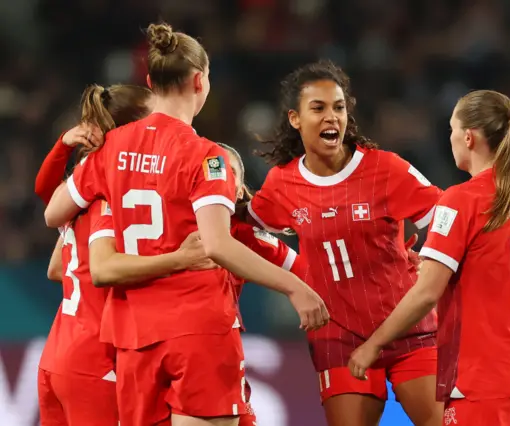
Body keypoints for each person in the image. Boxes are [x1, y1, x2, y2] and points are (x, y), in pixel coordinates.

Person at [43, 22, 328, 426]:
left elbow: (54, 213)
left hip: (133, 338)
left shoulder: (111, 149)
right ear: (199, 80)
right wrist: (296, 290)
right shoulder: (207, 155)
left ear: (149, 80)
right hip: (196, 329)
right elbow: (216, 244)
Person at [348, 90, 510, 426]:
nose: (449, 137)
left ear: (468, 137)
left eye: (451, 128)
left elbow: (425, 294)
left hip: (484, 381)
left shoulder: (461, 200)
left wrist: (373, 344)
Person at [245, 60, 443, 426]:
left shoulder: (386, 169)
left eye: (338, 107)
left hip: (408, 330)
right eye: (317, 108)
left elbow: (449, 220)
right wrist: (293, 275)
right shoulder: (281, 185)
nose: (331, 117)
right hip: (339, 339)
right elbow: (243, 232)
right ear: (295, 119)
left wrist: (431, 258)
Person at [37, 84, 214, 426]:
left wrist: (62, 145)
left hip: (57, 356)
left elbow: (57, 267)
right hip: (96, 364)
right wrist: (179, 259)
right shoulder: (111, 198)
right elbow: (102, 270)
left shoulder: (83, 190)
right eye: (153, 120)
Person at [220, 142, 304, 426]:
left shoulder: (243, 232)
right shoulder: (164, 224)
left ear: (240, 190)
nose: (218, 178)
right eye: (212, 169)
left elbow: (307, 270)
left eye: (229, 172)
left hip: (219, 355)